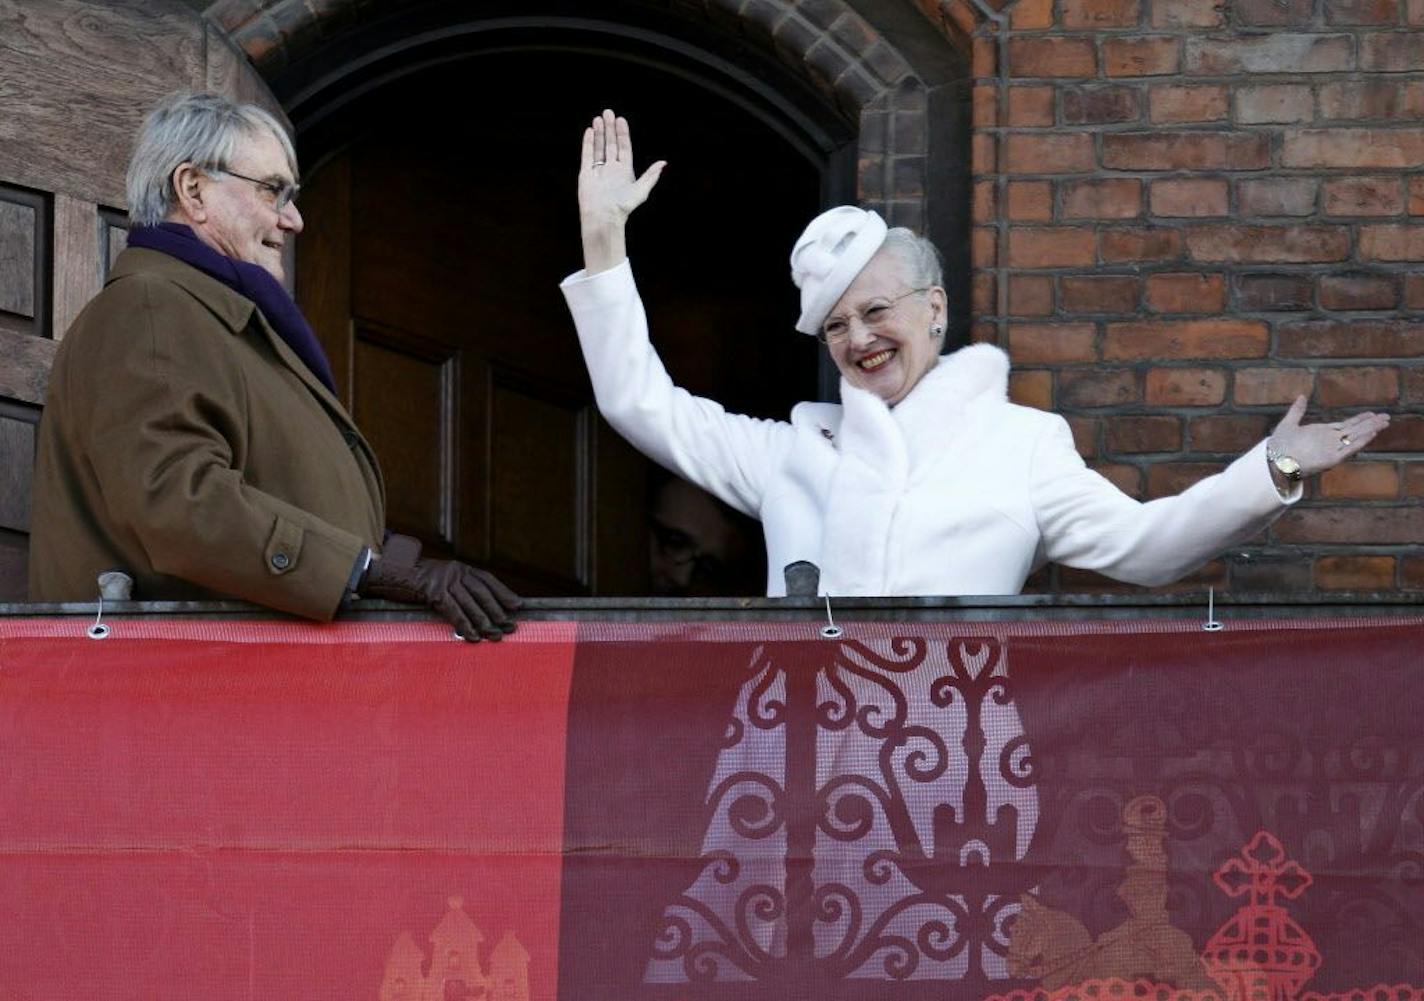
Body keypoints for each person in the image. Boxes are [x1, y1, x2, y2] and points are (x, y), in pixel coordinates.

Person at [561, 109, 1390, 597]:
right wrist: (605, 239)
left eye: (876, 311)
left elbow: (1150, 547)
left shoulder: (1020, 446)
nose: (858, 339)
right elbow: (643, 405)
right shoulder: (793, 453)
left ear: (934, 309)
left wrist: (1272, 468)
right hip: (802, 767)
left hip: (958, 777)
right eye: (836, 326)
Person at [29, 92, 521, 640]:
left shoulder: (215, 317)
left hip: (238, 693)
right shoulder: (150, 306)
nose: (294, 220)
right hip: (179, 698)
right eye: (273, 191)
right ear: (193, 190)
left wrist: (391, 566)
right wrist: (365, 572)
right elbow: (179, 504)